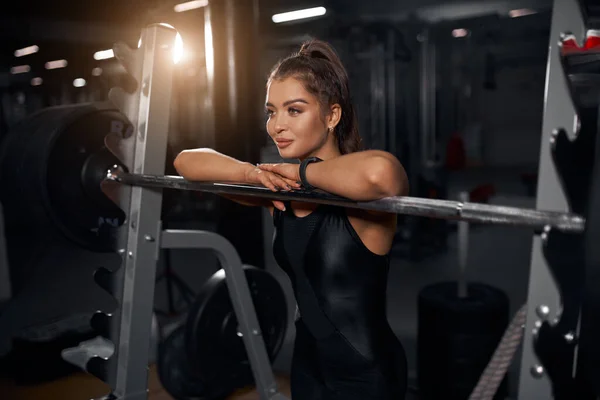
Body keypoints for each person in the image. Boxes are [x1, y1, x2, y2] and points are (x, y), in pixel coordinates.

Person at [174, 39, 409, 400]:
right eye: (271, 111)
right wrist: (253, 176)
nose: (276, 126)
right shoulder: (279, 195)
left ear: (332, 116)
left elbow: (381, 174)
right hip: (307, 366)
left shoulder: (362, 202)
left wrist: (301, 173)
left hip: (365, 375)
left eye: (294, 110)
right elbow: (186, 162)